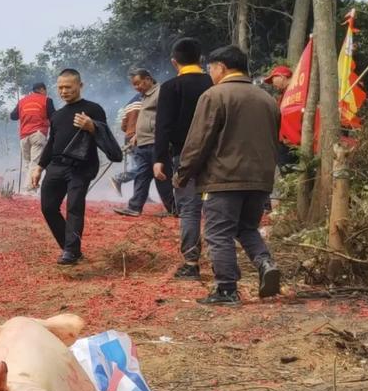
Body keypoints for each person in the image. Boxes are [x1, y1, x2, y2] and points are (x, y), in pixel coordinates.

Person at [174, 45, 282, 304]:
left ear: (221, 67)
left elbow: (199, 140)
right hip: (261, 179)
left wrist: (184, 172)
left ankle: (226, 289)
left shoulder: (215, 95)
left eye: (210, 67)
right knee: (247, 228)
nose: (209, 72)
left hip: (223, 178)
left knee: (218, 233)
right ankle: (265, 263)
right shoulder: (267, 99)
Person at [32, 69, 120, 265]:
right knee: (48, 208)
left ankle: (70, 252)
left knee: (74, 207)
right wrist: (39, 167)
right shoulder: (57, 115)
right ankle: (70, 248)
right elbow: (51, 142)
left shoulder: (93, 109)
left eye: (68, 87)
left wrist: (92, 127)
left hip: (81, 167)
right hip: (56, 165)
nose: (63, 91)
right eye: (60, 88)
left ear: (80, 86)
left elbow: (105, 135)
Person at [152, 38, 214, 280]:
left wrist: (159, 158)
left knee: (189, 208)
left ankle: (191, 262)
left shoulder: (170, 87)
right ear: (201, 59)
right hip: (215, 154)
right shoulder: (213, 82)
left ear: (174, 62)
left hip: (184, 155)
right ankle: (221, 261)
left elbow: (163, 126)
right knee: (215, 207)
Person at [113, 69, 174, 217]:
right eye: (134, 85)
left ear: (148, 79)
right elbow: (145, 119)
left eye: (138, 83)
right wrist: (137, 136)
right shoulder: (144, 96)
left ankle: (174, 208)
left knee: (161, 177)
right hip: (143, 143)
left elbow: (164, 118)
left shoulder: (161, 93)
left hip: (156, 142)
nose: (136, 87)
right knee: (141, 175)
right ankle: (134, 207)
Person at [10, 82, 54, 191]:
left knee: (27, 163)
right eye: (45, 90)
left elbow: (13, 116)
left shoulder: (22, 101)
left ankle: (29, 188)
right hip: (38, 134)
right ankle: (29, 189)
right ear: (42, 89)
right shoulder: (47, 100)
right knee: (35, 162)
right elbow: (54, 117)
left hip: (24, 136)